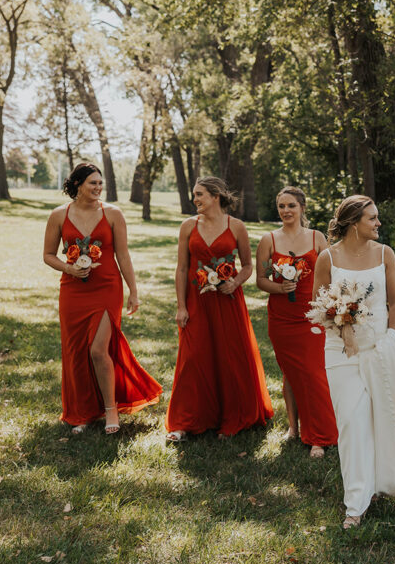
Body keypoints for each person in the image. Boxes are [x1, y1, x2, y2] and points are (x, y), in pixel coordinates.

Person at [310, 195, 395, 529]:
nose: (378, 223)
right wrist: (338, 320)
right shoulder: (327, 257)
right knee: (352, 422)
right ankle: (355, 503)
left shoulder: (386, 254)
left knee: (383, 418)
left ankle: (379, 484)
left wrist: (390, 338)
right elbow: (319, 304)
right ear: (354, 221)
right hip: (340, 351)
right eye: (372, 218)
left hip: (380, 348)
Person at [42, 163, 162, 434]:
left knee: (98, 350)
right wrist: (69, 268)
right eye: (92, 183)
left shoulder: (113, 214)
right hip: (72, 291)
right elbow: (48, 255)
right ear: (77, 185)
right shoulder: (59, 215)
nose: (97, 188)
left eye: (100, 183)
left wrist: (134, 290)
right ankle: (83, 412)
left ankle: (111, 411)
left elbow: (123, 255)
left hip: (107, 288)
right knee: (76, 353)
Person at [165, 177, 273, 441]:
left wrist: (235, 282)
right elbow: (181, 268)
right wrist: (181, 306)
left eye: (200, 194)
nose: (196, 200)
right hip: (196, 301)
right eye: (194, 195)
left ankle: (232, 419)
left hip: (227, 301)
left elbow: (247, 265)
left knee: (229, 357)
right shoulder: (188, 226)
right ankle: (185, 422)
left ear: (216, 196)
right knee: (192, 358)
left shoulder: (236, 227)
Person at [255, 186, 337, 457]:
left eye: (291, 205)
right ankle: (293, 427)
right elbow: (261, 280)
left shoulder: (317, 238)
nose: (286, 211)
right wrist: (279, 289)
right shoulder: (269, 240)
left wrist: (329, 307)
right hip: (281, 316)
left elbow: (331, 275)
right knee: (290, 372)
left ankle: (319, 436)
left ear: (302, 207)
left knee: (314, 372)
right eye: (281, 206)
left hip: (312, 313)